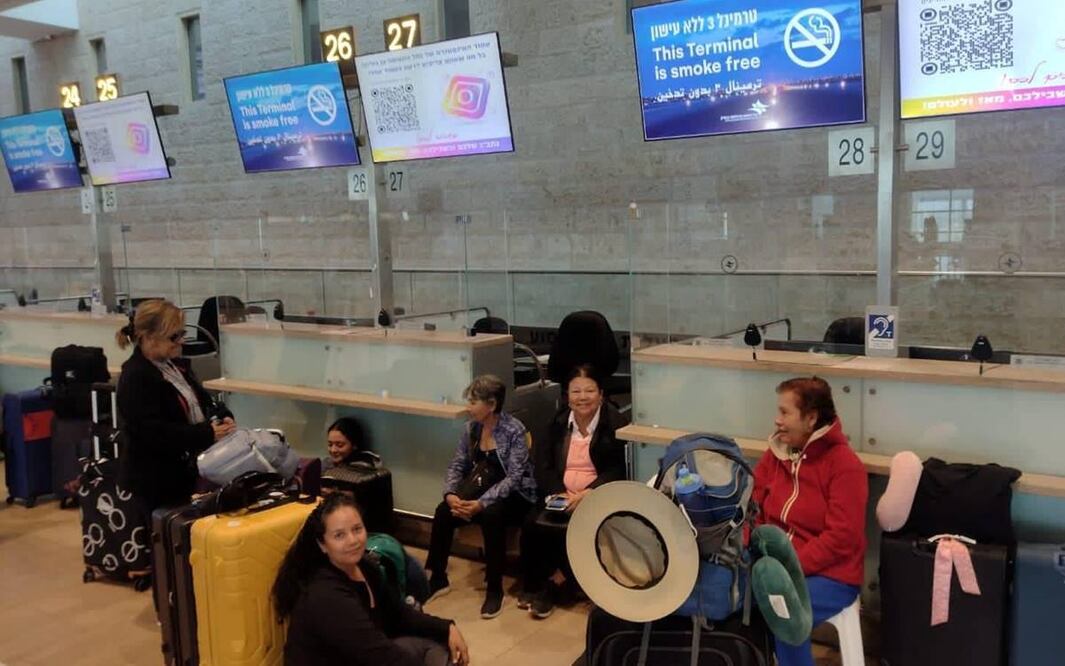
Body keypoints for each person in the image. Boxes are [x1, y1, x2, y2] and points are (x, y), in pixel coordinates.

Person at [274, 493, 470, 666]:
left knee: (439, 646)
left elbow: (400, 614)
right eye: (339, 535)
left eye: (357, 529)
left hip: (361, 658)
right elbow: (379, 655)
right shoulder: (325, 594)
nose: (353, 540)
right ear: (322, 544)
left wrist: (446, 628)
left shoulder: (366, 566)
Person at [753, 377, 868, 666]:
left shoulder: (844, 466)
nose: (777, 421)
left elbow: (842, 538)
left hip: (832, 576)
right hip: (774, 565)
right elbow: (752, 507)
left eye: (785, 413)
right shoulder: (775, 455)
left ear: (811, 418)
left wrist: (789, 568)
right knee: (729, 595)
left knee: (784, 610)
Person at [518, 364, 629, 618]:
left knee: (582, 525)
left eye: (589, 391)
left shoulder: (615, 423)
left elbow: (618, 467)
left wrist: (589, 492)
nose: (582, 397)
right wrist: (558, 492)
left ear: (601, 394)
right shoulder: (557, 422)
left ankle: (556, 583)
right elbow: (542, 463)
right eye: (576, 391)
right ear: (567, 396)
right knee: (532, 524)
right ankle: (538, 581)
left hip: (596, 496)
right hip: (560, 494)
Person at [424, 374, 537, 619]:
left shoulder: (514, 430)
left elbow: (515, 477)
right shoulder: (471, 429)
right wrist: (451, 493)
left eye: (473, 402)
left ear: (492, 404)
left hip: (515, 495)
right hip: (479, 489)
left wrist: (481, 503)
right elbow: (458, 464)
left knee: (491, 515)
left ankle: (494, 588)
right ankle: (438, 576)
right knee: (443, 512)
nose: (468, 407)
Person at [115, 299, 235, 515]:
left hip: (183, 474)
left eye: (182, 334)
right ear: (149, 338)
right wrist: (206, 433)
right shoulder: (135, 377)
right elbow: (152, 432)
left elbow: (202, 401)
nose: (181, 341)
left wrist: (222, 415)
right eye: (174, 336)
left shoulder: (174, 367)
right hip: (155, 482)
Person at [321, 415, 431, 606]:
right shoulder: (327, 467)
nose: (333, 450)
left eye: (340, 445)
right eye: (330, 444)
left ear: (354, 445)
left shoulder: (367, 471)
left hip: (374, 535)